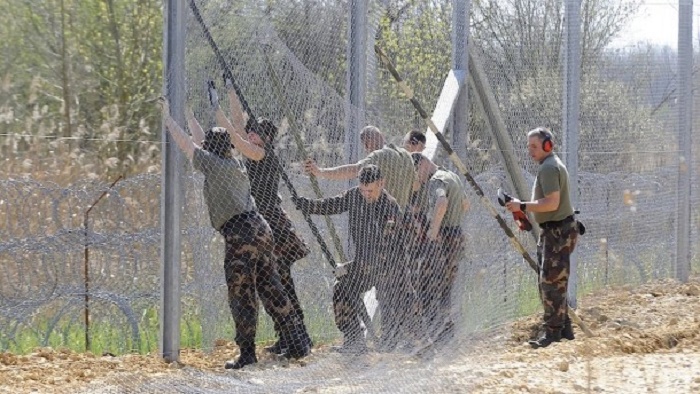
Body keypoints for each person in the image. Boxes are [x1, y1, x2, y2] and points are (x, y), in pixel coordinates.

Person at [159, 98, 310, 369]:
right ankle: (297, 341)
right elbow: (201, 141)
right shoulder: (233, 163)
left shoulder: (213, 165)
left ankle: (247, 353)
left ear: (210, 152)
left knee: (242, 295)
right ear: (228, 148)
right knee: (271, 286)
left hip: (240, 234)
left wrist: (170, 119)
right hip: (261, 229)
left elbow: (189, 144)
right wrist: (190, 114)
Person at [217, 76, 312, 355]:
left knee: (280, 281)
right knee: (271, 283)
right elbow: (238, 125)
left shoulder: (263, 153)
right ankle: (288, 336)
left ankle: (298, 336)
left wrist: (219, 115)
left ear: (266, 138)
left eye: (255, 132)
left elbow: (235, 134)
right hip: (263, 225)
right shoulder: (253, 148)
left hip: (273, 224)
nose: (249, 135)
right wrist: (231, 91)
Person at [292, 165, 401, 353]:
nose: (367, 194)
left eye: (371, 190)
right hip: (364, 264)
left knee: (389, 301)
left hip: (389, 267)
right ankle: (354, 341)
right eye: (363, 190)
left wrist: (352, 268)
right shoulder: (354, 196)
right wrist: (307, 205)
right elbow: (331, 205)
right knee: (342, 289)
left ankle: (390, 344)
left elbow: (385, 249)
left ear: (381, 184)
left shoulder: (390, 207)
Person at [505, 127, 579, 349]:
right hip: (554, 231)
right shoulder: (549, 165)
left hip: (557, 232)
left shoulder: (549, 168)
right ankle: (563, 327)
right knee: (555, 282)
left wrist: (523, 206)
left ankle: (553, 334)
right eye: (529, 146)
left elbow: (552, 202)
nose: (530, 151)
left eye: (535, 146)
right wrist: (525, 211)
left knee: (549, 284)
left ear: (548, 145)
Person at [411, 153, 469, 346]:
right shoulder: (451, 176)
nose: (418, 177)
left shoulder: (436, 181)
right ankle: (446, 333)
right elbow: (465, 204)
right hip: (456, 235)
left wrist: (433, 231)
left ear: (424, 164)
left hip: (443, 238)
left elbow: (441, 202)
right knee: (446, 288)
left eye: (417, 172)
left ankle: (432, 334)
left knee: (428, 284)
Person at [304, 125, 416, 210]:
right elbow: (415, 186)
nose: (366, 148)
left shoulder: (379, 155)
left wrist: (320, 172)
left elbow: (355, 170)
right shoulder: (406, 155)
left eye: (367, 142)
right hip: (401, 216)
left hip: (383, 215)